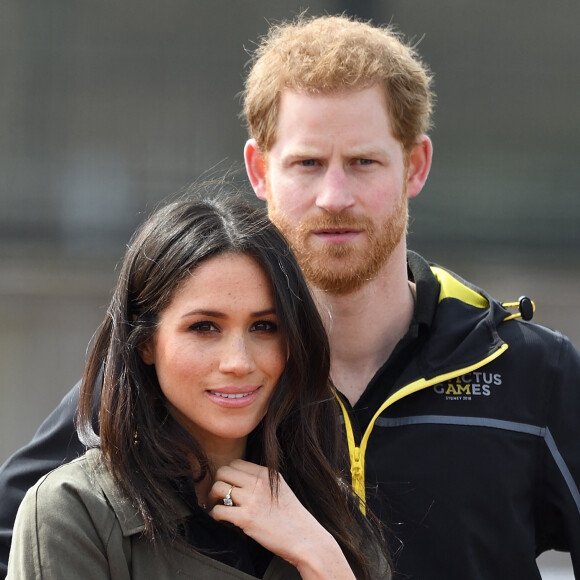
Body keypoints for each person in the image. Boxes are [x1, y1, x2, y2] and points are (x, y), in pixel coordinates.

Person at [1, 13, 580, 579]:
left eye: (363, 162)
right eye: (307, 163)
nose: (335, 195)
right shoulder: (177, 379)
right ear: (259, 169)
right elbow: (27, 533)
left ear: (415, 165)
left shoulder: (531, 371)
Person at [5, 192, 389, 579]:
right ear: (145, 341)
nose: (239, 362)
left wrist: (320, 558)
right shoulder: (75, 513)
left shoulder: (327, 515)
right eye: (204, 327)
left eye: (264, 327)